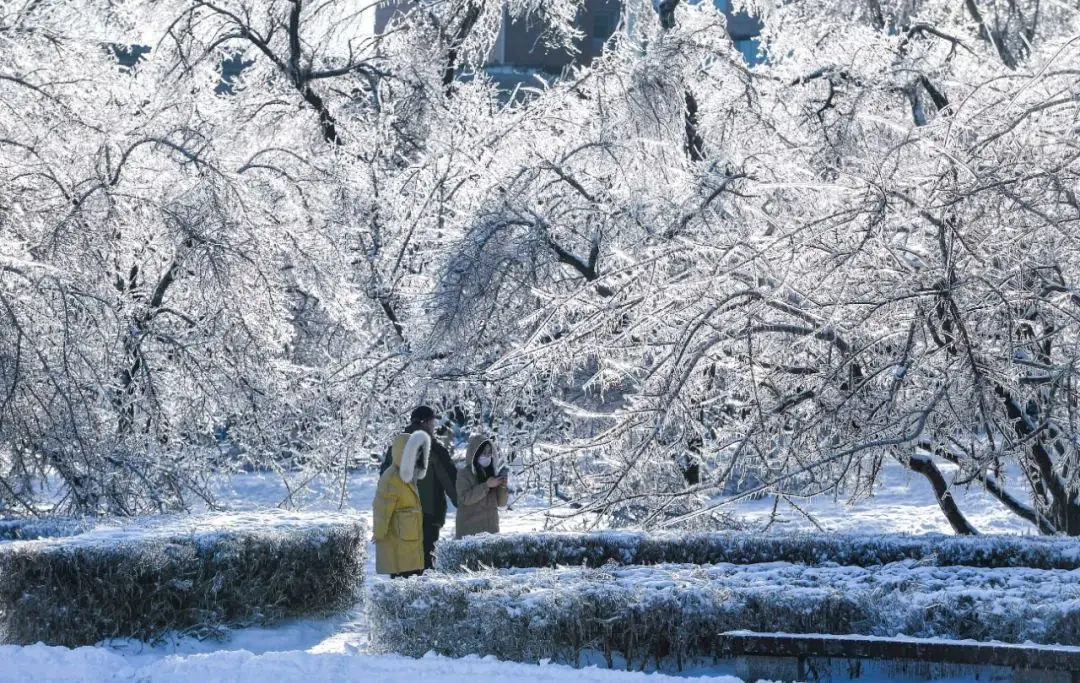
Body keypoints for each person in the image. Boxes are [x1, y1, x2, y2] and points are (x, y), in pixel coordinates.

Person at [380, 406, 459, 571]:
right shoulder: (434, 449)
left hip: (399, 516)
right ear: (427, 423)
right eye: (433, 422)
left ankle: (398, 595)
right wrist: (461, 501)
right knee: (424, 566)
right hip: (427, 517)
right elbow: (450, 481)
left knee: (401, 566)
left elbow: (384, 480)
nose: (434, 426)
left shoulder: (395, 448)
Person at [373, 429, 430, 578]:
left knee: (412, 584)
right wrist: (379, 532)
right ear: (404, 453)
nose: (417, 456)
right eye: (414, 452)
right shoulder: (392, 477)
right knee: (403, 582)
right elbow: (381, 507)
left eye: (419, 452)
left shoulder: (408, 477)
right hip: (399, 543)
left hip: (408, 541)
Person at [455, 435, 508, 539]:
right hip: (470, 533)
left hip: (491, 532)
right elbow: (465, 498)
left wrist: (502, 487)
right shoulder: (464, 474)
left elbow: (501, 503)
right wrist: (486, 485)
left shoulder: (491, 473)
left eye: (489, 453)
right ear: (475, 454)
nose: (487, 456)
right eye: (484, 453)